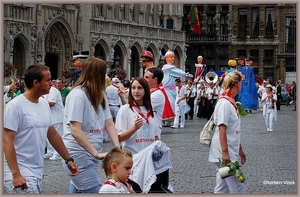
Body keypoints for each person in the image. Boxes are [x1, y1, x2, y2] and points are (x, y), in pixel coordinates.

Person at [4, 64, 79, 193]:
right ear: (36, 83)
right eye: (48, 80)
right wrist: (15, 174)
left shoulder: (44, 103)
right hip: (19, 171)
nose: (52, 84)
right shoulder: (15, 106)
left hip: (37, 171)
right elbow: (7, 140)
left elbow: (52, 134)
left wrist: (68, 159)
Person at [62, 57, 120, 193]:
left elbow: (109, 123)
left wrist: (117, 147)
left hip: (92, 153)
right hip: (78, 154)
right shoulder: (78, 95)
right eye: (103, 73)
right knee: (94, 190)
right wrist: (96, 154)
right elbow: (75, 131)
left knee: (78, 188)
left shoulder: (100, 94)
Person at [208, 71, 247, 193]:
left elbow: (233, 129)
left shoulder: (230, 101)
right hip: (225, 154)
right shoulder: (225, 103)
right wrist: (225, 153)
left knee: (222, 188)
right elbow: (222, 128)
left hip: (230, 150)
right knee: (238, 186)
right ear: (237, 85)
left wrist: (240, 149)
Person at [116, 77, 160, 154]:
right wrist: (134, 128)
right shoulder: (125, 110)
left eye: (140, 88)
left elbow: (155, 136)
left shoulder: (150, 110)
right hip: (133, 157)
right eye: (133, 88)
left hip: (149, 158)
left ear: (145, 90)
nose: (136, 91)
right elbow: (119, 138)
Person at [161, 50, 188, 126]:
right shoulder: (168, 68)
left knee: (172, 105)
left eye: (173, 57)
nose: (172, 59)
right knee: (171, 104)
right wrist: (185, 73)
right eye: (170, 57)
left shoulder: (171, 68)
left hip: (172, 89)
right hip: (167, 90)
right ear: (166, 58)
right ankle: (168, 120)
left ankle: (169, 121)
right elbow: (179, 72)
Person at [43, 85, 65, 160]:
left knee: (58, 135)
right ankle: (50, 152)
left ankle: (58, 153)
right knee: (49, 136)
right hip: (50, 117)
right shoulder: (44, 92)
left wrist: (39, 103)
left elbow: (52, 103)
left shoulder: (52, 90)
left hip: (57, 117)